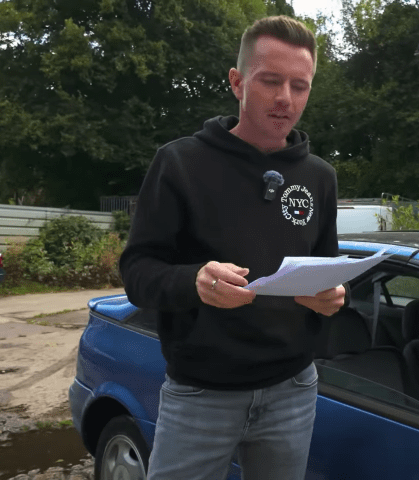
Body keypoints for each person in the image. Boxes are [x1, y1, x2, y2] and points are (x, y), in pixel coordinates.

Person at [118, 15, 346, 480]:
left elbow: (328, 270)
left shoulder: (319, 176)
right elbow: (137, 272)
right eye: (270, 81)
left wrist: (331, 297)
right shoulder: (180, 162)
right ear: (237, 83)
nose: (286, 98)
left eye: (299, 86)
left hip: (293, 390)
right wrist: (194, 281)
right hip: (200, 395)